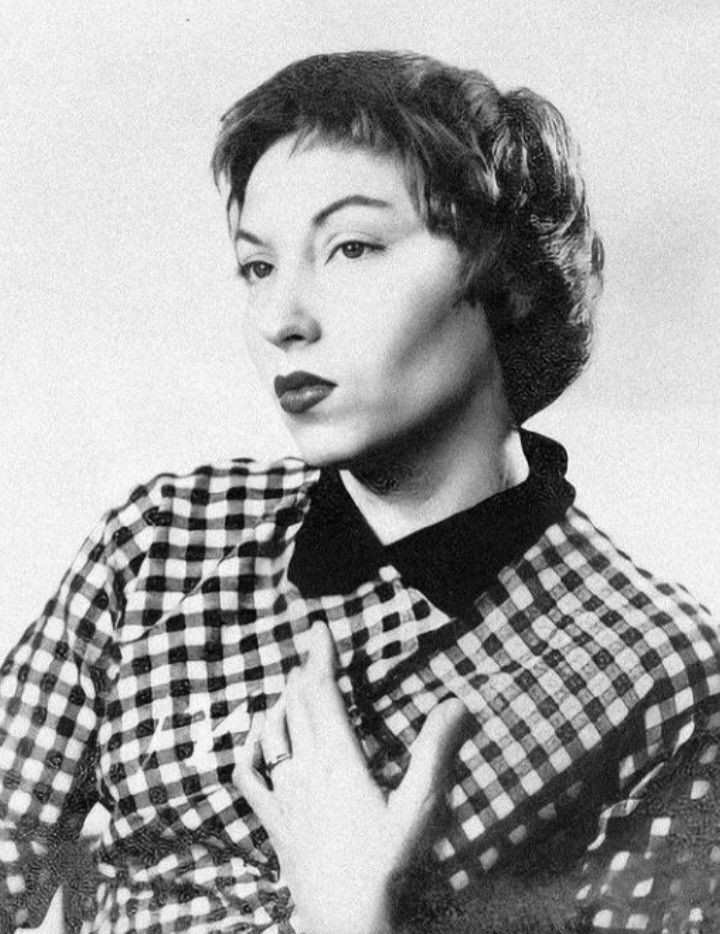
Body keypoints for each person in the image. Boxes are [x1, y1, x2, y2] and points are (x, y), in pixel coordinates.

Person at [1, 49, 719, 934]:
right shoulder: (162, 542)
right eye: (258, 266)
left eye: (351, 248)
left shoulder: (661, 671)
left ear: (508, 277)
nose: (283, 319)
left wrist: (354, 918)